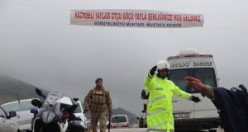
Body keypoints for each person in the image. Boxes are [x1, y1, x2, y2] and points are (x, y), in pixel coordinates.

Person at [144, 60, 200, 132]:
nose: (164, 73)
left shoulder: (170, 83)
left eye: (166, 71)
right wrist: (150, 74)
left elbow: (179, 92)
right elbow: (146, 82)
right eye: (162, 71)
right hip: (155, 122)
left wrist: (191, 97)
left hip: (168, 122)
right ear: (158, 71)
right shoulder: (153, 82)